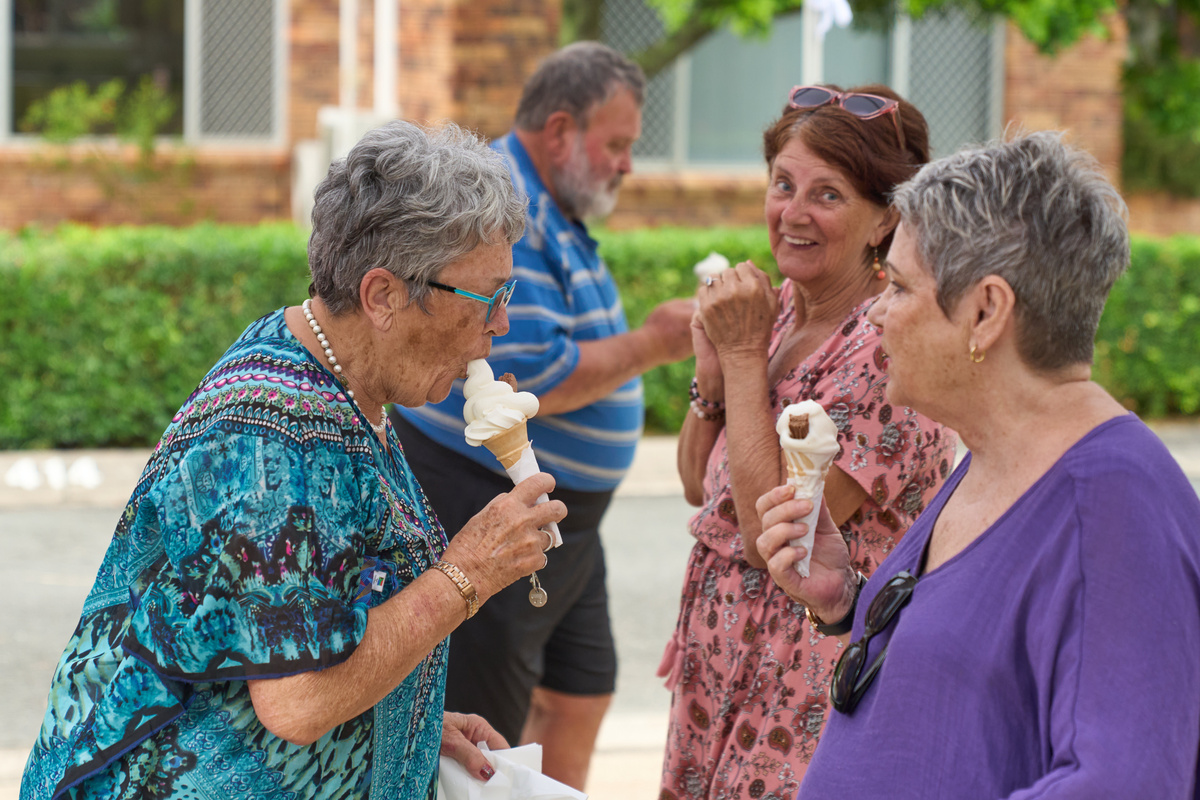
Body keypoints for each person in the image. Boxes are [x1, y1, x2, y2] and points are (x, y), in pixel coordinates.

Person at [21, 120, 568, 799]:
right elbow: (300, 700)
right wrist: (469, 572)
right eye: (490, 298)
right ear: (382, 296)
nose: (502, 323)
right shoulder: (270, 435)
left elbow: (322, 627)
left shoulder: (343, 382)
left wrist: (411, 721)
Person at [757, 131, 1200, 797]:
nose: (876, 314)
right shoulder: (1001, 449)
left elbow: (1123, 783)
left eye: (899, 287)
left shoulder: (1115, 505)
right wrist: (846, 601)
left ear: (986, 312)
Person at [389, 41, 695, 789]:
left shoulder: (552, 200)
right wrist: (657, 342)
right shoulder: (500, 205)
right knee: (486, 724)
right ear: (560, 130)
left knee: (582, 692)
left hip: (571, 520)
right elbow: (532, 371)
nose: (627, 165)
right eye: (616, 144)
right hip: (479, 488)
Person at [657, 85, 958, 798]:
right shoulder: (779, 308)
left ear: (886, 217)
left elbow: (777, 541)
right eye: (782, 184)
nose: (791, 213)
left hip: (803, 685)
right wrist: (711, 381)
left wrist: (737, 359)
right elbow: (701, 487)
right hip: (718, 664)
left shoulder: (887, 348)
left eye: (827, 195)